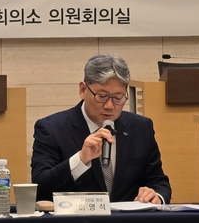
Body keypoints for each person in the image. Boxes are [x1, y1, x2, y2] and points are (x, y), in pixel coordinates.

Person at [31, 54, 171, 204]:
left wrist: (156, 196)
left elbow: (159, 182)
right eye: (102, 96)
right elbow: (41, 189)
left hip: (129, 218)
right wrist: (81, 160)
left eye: (118, 97)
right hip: (77, 218)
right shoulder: (52, 129)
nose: (109, 106)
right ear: (83, 90)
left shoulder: (141, 128)